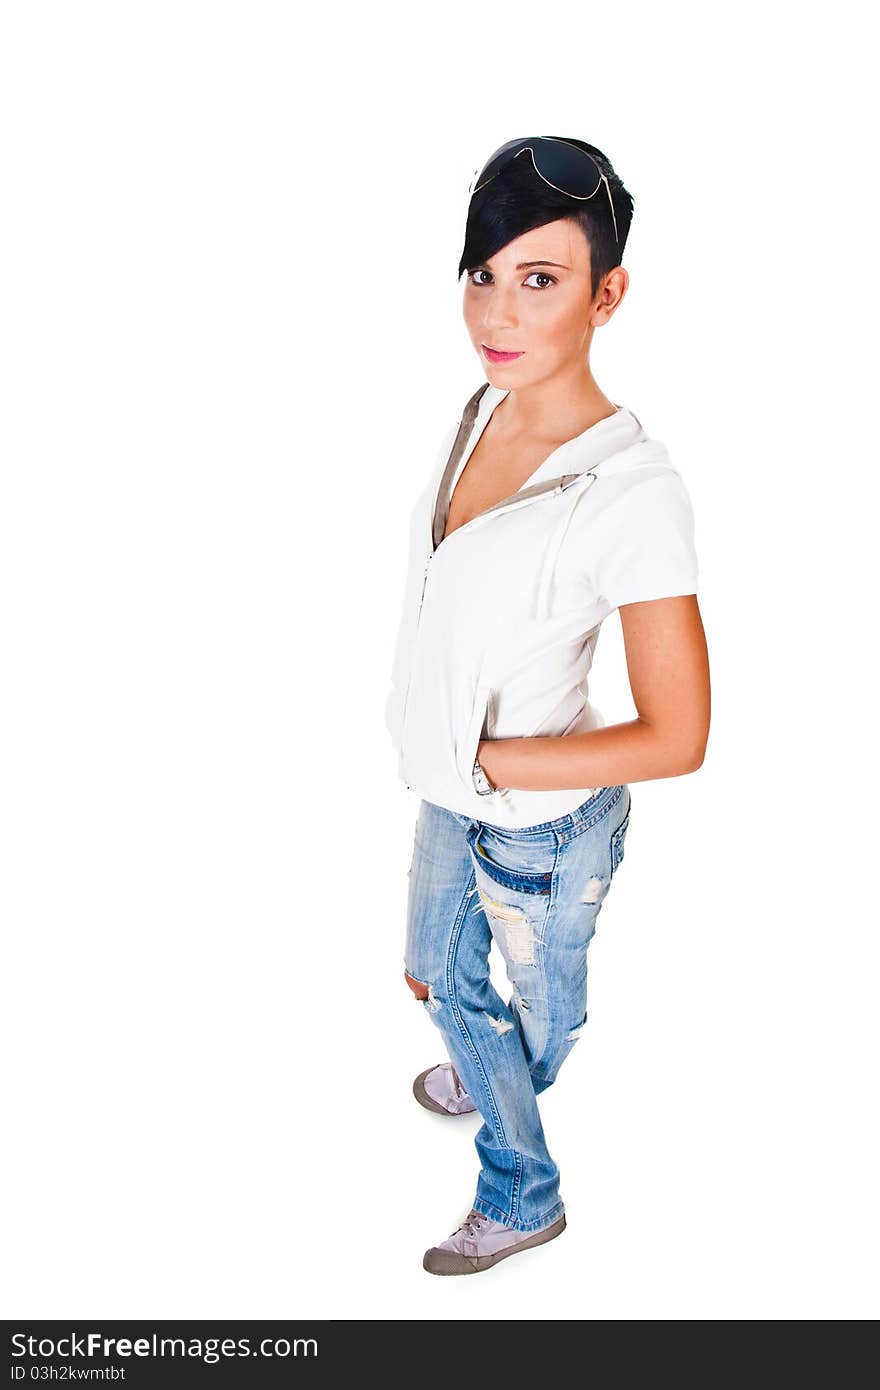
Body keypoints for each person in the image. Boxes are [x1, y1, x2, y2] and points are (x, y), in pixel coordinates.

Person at [385, 136, 711, 1276]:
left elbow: (678, 737)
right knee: (433, 974)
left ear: (606, 292)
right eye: (483, 272)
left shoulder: (633, 494)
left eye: (540, 278)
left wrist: (494, 760)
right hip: (452, 789)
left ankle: (525, 1193)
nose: (497, 310)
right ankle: (483, 1060)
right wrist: (456, 765)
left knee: (537, 1021)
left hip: (543, 827)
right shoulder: (482, 406)